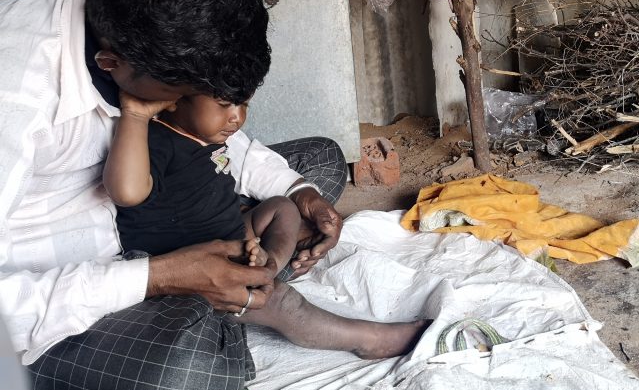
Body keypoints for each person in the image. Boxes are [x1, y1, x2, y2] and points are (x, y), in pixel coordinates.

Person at [0, 0, 348, 390]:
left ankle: (235, 288)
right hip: (64, 282)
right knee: (185, 380)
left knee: (321, 165)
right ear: (112, 66)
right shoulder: (15, 99)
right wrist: (160, 276)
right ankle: (218, 307)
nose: (226, 111)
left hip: (164, 210)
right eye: (182, 96)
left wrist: (297, 189)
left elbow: (208, 133)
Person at [105, 90, 427, 358]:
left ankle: (267, 269)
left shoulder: (208, 132)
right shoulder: (153, 142)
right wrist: (135, 116)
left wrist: (301, 200)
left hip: (230, 237)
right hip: (192, 269)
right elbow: (126, 191)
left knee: (283, 207)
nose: (237, 117)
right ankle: (367, 340)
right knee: (284, 303)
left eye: (243, 104)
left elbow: (245, 173)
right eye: (224, 105)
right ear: (173, 98)